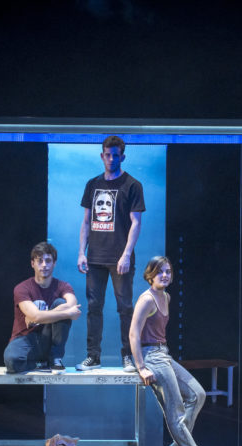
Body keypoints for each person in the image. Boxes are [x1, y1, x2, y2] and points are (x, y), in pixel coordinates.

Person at [129, 256, 226, 446]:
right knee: (176, 410)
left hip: (163, 353)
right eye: (159, 271)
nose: (164, 275)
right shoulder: (147, 299)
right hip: (150, 355)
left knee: (198, 394)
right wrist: (141, 367)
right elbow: (133, 333)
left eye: (168, 271)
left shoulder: (166, 297)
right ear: (150, 275)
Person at [76, 135, 146, 373]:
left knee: (125, 308)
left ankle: (128, 356)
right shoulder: (92, 184)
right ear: (102, 156)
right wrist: (81, 252)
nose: (111, 159)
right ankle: (93, 357)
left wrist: (126, 255)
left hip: (120, 259)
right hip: (95, 257)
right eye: (107, 155)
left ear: (122, 157)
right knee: (94, 307)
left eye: (115, 155)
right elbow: (86, 221)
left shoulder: (132, 185)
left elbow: (136, 223)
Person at [4, 242, 81, 373]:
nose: (44, 265)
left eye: (48, 261)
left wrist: (40, 317)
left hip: (49, 339)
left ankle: (56, 359)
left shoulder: (63, 286)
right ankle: (40, 364)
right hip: (26, 338)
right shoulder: (22, 288)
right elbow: (36, 316)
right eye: (40, 261)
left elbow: (72, 304)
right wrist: (67, 314)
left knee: (60, 302)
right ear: (32, 263)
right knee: (12, 362)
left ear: (54, 263)